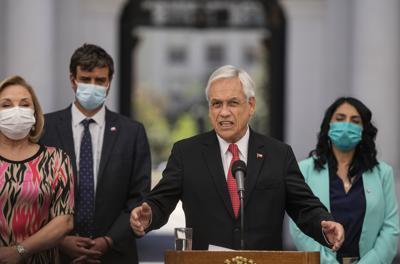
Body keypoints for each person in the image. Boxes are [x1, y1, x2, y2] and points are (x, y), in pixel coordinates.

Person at [130, 65, 344, 251]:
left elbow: (304, 206)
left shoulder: (278, 154)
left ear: (251, 106)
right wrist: (148, 216)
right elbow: (161, 201)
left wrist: (325, 224)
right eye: (216, 104)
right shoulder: (186, 153)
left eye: (232, 103)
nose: (223, 112)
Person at [40, 43, 151, 263]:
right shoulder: (45, 128)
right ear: (73, 80)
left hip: (115, 254)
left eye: (100, 80)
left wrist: (108, 241)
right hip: (55, 254)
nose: (93, 86)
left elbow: (139, 197)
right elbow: (34, 195)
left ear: (109, 82)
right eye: (85, 79)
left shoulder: (132, 133)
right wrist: (60, 239)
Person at [289, 97, 400, 264]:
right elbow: (299, 226)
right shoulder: (305, 170)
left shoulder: (382, 173)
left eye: (355, 121)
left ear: (364, 130)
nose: (347, 125)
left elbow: (390, 228)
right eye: (340, 119)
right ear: (328, 126)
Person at [0, 75, 74, 263]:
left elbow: (64, 221)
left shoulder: (56, 159)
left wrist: (19, 251)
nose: (16, 111)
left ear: (35, 114)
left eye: (24, 104)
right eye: (6, 105)